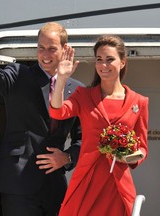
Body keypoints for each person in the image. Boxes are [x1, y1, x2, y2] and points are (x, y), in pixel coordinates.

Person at [0, 4, 83, 216]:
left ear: (65, 49)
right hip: (18, 181)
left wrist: (67, 158)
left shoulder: (77, 89)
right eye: (41, 47)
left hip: (55, 184)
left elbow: (83, 138)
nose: (45, 54)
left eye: (52, 48)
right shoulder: (19, 74)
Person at [50, 35, 149, 216]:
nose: (103, 65)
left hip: (117, 183)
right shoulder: (84, 96)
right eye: (99, 60)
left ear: (123, 62)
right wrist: (61, 80)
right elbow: (57, 111)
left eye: (110, 59)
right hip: (87, 179)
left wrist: (126, 158)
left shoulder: (139, 102)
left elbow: (142, 148)